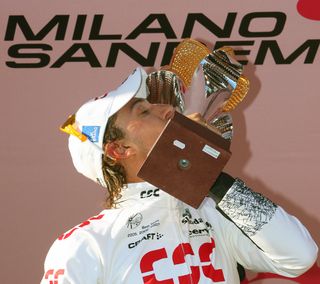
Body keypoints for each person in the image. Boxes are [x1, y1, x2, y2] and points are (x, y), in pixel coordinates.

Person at [41, 67, 318, 284]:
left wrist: (211, 177)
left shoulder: (213, 211)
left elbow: (299, 256)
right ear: (119, 149)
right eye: (145, 111)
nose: (167, 109)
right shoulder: (86, 242)